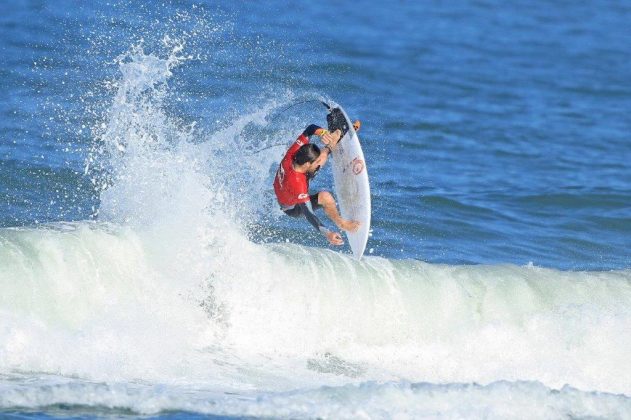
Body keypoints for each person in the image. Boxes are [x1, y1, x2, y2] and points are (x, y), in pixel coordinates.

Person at [273, 124, 360, 245]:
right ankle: (342, 223)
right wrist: (327, 233)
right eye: (314, 162)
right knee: (325, 197)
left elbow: (310, 129)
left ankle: (333, 141)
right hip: (292, 207)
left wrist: (324, 133)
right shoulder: (298, 186)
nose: (317, 163)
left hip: (287, 184)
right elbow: (309, 214)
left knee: (321, 156)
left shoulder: (293, 153)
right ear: (307, 164)